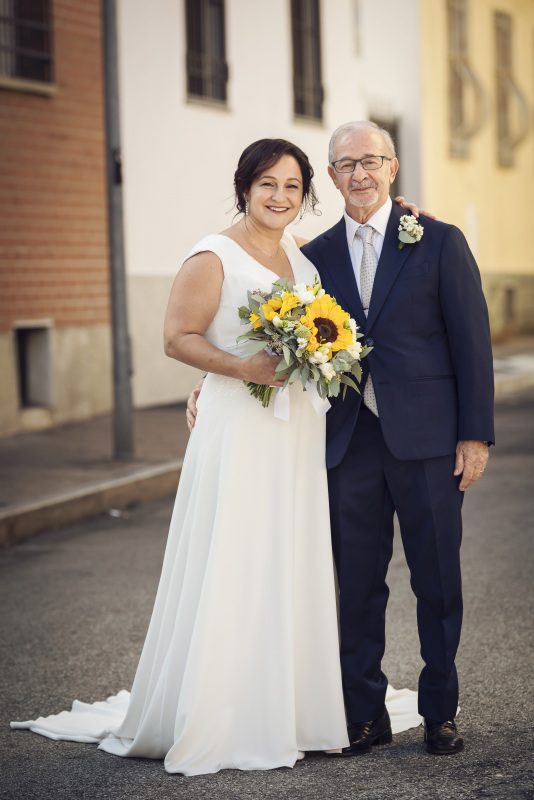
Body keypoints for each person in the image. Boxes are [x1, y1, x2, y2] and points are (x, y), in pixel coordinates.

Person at [11, 138, 424, 775]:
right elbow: (177, 337)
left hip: (296, 432)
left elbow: (362, 254)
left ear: (305, 195)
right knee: (238, 554)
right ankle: (226, 708)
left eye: (292, 186)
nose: (280, 197)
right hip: (241, 427)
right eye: (267, 184)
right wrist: (234, 370)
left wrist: (409, 216)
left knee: (288, 556)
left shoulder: (302, 256)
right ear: (244, 189)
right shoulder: (214, 255)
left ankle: (294, 706)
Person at [188, 122, 495, 758]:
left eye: (371, 161)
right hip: (346, 441)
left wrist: (475, 435)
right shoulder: (313, 256)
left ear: (392, 167)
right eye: (346, 164)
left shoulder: (438, 239)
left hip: (430, 441)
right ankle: (364, 715)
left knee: (438, 582)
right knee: (356, 587)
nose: (360, 173)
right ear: (331, 177)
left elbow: (472, 343)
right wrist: (208, 381)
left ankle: (440, 712)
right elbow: (272, 326)